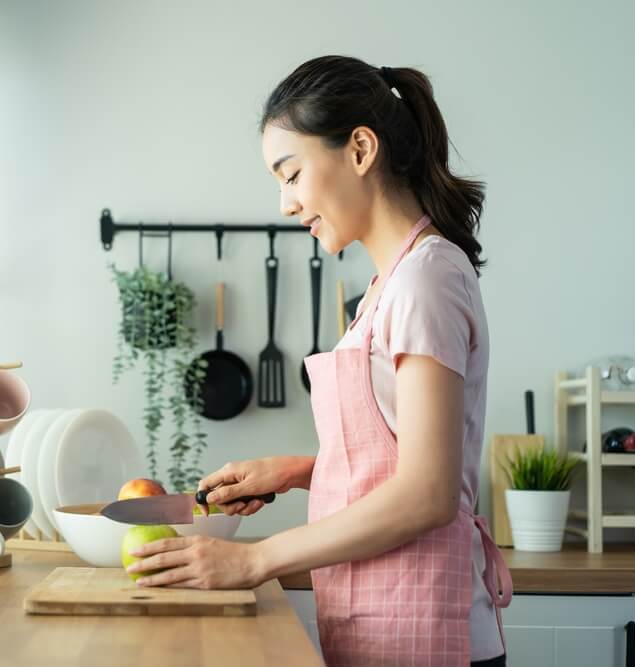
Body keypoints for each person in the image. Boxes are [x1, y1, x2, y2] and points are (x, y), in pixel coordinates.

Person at [123, 55, 512, 666]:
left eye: (291, 173)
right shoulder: (392, 284)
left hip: (429, 629)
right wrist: (301, 469)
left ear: (360, 149)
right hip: (385, 621)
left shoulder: (426, 279)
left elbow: (429, 492)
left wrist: (255, 558)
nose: (285, 203)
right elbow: (399, 457)